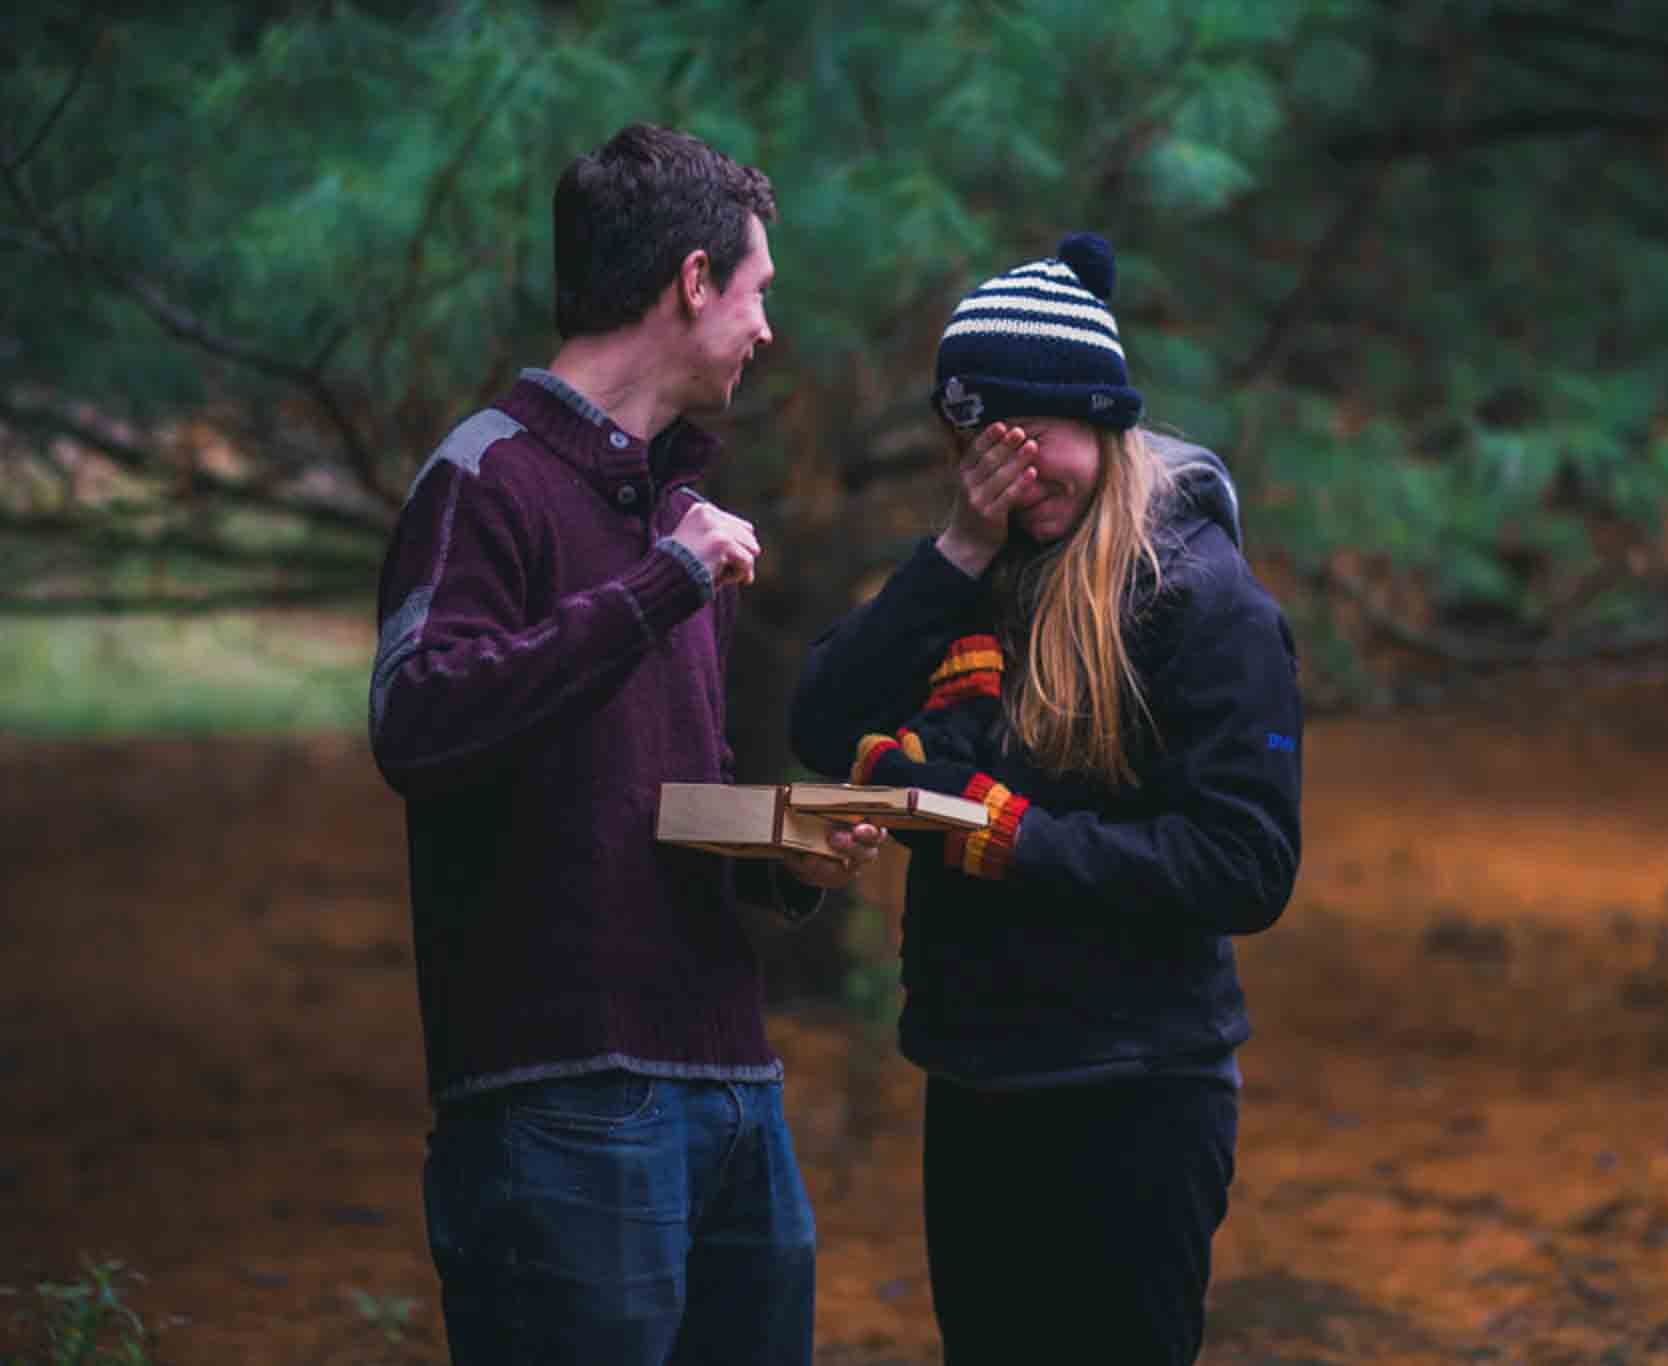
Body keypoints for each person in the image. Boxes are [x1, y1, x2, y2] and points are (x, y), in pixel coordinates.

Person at [368, 123, 882, 1366]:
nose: (767, 329)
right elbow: (418, 719)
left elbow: (652, 798)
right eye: (757, 292)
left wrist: (783, 858)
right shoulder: (485, 477)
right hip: (561, 1096)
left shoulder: (667, 510)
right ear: (692, 282)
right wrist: (661, 586)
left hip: (728, 1082)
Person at [789, 232, 1303, 1365]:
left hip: (1135, 1091)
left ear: (1104, 420)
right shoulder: (982, 568)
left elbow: (1245, 864)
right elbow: (819, 723)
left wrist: (997, 835)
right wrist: (955, 549)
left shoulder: (1204, 604)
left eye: (1035, 441)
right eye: (981, 448)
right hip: (975, 1075)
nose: (1014, 477)